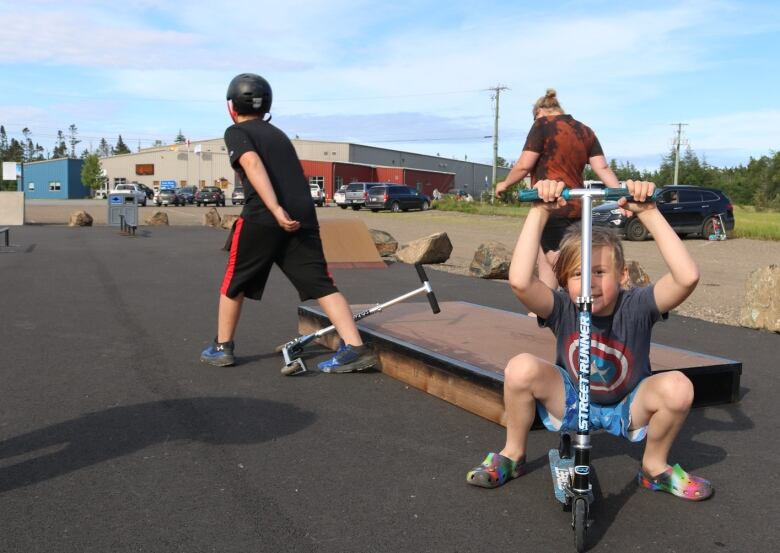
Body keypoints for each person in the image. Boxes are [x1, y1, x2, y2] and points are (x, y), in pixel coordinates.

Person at [465, 179, 713, 501]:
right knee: (520, 368)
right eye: (578, 274)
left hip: (627, 403)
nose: (589, 284)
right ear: (565, 279)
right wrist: (539, 211)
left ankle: (654, 467)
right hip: (570, 398)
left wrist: (649, 212)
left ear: (623, 275)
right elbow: (521, 282)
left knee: (679, 388)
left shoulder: (636, 305)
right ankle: (513, 454)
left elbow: (687, 277)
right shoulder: (564, 306)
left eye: (599, 272)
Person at [200, 73, 377, 374]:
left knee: (235, 280)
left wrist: (275, 209)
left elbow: (252, 164)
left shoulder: (236, 131)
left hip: (264, 216)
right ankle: (355, 348)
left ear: (232, 106)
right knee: (322, 283)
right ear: (266, 104)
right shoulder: (278, 135)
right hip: (303, 216)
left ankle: (222, 348)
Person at [495, 89, 621, 287]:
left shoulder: (542, 125)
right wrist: (620, 197)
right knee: (549, 261)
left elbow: (524, 165)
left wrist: (504, 184)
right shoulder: (585, 130)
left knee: (562, 262)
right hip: (579, 207)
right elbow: (602, 167)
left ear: (539, 112)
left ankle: (582, 302)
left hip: (552, 204)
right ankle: (544, 312)